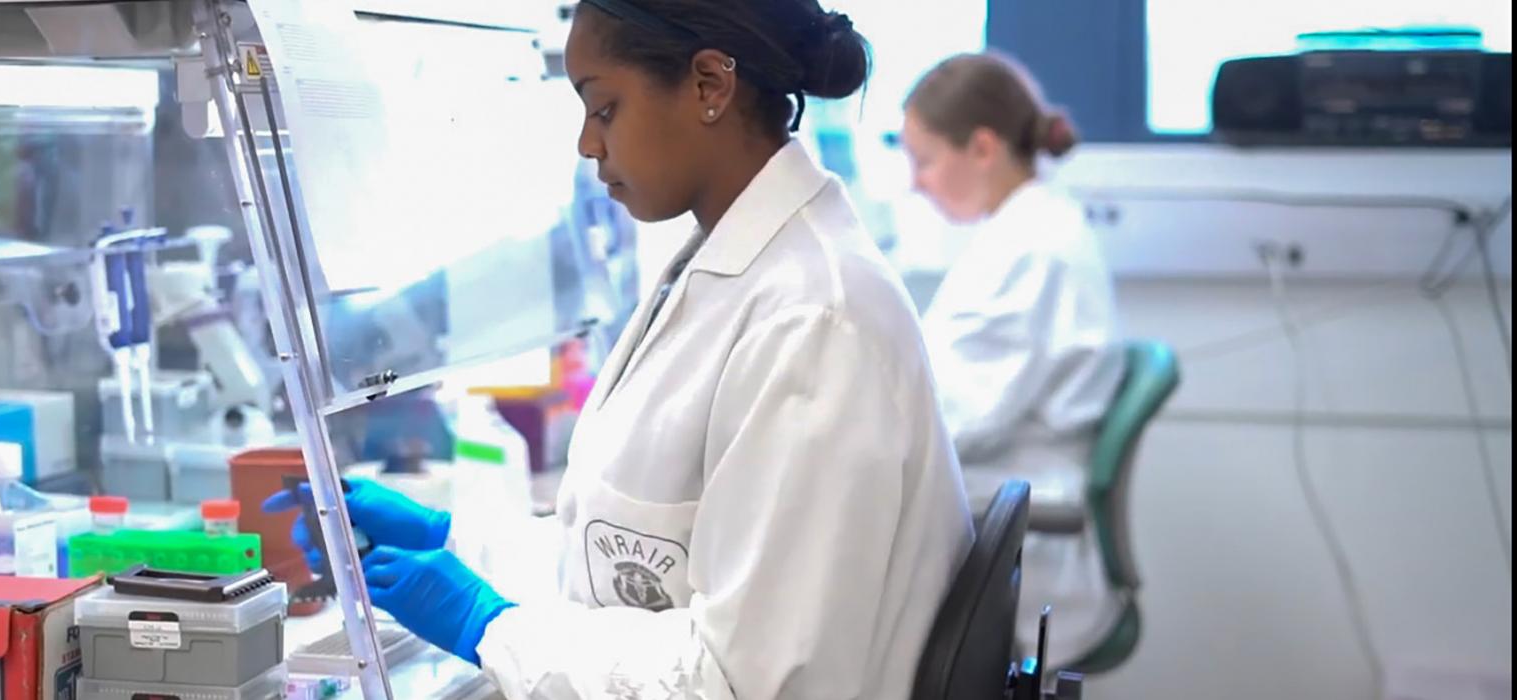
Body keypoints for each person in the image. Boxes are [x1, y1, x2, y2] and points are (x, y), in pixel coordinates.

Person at [264, 1, 974, 698]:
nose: (588, 144)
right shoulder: (731, 271)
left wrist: (488, 627)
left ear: (709, 86)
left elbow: (743, 681)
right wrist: (453, 541)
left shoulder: (814, 320)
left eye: (604, 108)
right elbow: (630, 567)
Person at [899, 52, 1127, 667]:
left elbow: (959, 420)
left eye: (923, 159)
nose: (914, 181)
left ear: (981, 146)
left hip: (1021, 543)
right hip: (1002, 499)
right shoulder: (1025, 231)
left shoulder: (1032, 252)